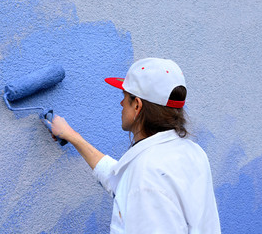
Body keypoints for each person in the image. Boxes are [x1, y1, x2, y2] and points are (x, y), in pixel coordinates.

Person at [42, 58, 221, 234]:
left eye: (125, 97)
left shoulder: (147, 175)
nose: (121, 103)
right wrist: (72, 137)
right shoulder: (191, 152)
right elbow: (120, 178)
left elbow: (139, 183)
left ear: (137, 106)